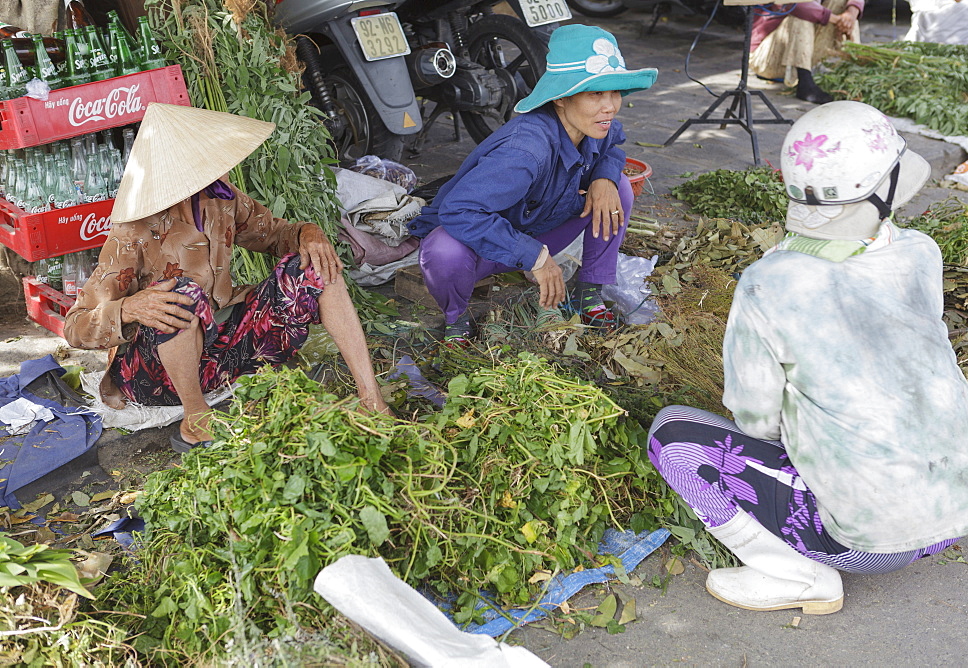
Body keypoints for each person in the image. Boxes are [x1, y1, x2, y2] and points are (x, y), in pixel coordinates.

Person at [646, 101, 968, 615]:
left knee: (672, 436)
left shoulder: (770, 282)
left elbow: (757, 418)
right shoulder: (921, 251)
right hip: (967, 501)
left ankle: (800, 576)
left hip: (869, 544)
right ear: (885, 191)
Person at [64, 103, 391, 453]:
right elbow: (75, 327)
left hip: (222, 356)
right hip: (155, 376)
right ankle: (195, 419)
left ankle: (371, 397)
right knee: (179, 295)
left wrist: (309, 232)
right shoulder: (132, 231)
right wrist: (130, 307)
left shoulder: (221, 201)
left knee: (315, 266)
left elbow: (277, 234)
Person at [407, 24, 657, 346]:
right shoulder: (527, 150)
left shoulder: (595, 122)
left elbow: (613, 147)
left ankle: (588, 293)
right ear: (561, 100)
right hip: (481, 247)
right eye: (596, 93)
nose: (609, 105)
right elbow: (460, 210)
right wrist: (536, 257)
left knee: (618, 188)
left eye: (614, 92)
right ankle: (457, 317)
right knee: (443, 249)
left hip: (536, 227)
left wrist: (604, 176)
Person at [749, 0, 864, 104]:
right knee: (799, 13)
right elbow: (794, 5)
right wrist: (836, 19)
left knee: (845, 7)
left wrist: (850, 15)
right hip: (765, 59)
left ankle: (855, 79)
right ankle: (805, 84)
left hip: (802, 51)